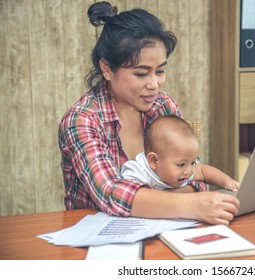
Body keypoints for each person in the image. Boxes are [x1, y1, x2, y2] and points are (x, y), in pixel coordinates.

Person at [58, 1, 239, 225]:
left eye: (160, 71)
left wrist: (151, 203)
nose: (154, 84)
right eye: (142, 73)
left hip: (164, 229)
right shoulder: (82, 120)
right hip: (99, 240)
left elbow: (192, 176)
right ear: (106, 68)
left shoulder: (163, 106)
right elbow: (112, 195)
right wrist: (190, 204)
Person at [121, 115, 240, 192]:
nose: (189, 171)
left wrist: (227, 181)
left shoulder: (185, 170)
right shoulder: (138, 172)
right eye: (181, 164)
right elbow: (130, 195)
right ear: (154, 161)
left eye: (193, 162)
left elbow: (203, 171)